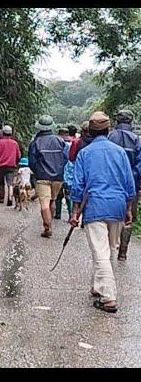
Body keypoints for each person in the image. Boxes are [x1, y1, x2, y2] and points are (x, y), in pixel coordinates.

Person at [70, 111, 136, 313]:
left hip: (95, 206)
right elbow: (129, 184)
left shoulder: (85, 153)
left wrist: (75, 212)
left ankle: (108, 298)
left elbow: (78, 186)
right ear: (109, 130)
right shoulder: (119, 152)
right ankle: (98, 287)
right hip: (117, 205)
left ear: (90, 131)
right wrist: (128, 209)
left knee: (100, 251)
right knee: (109, 249)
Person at [107, 108, 141, 261]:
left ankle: (108, 247)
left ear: (117, 121)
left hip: (110, 183)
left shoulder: (109, 137)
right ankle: (122, 252)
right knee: (129, 218)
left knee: (109, 214)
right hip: (130, 184)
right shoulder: (137, 139)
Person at [29, 114, 66, 238]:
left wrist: (38, 172)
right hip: (58, 177)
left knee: (44, 203)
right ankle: (50, 225)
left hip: (42, 176)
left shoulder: (35, 142)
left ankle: (48, 228)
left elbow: (32, 162)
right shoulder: (60, 140)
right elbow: (65, 158)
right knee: (53, 200)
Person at [0, 124, 21, 206]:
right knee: (10, 183)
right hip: (11, 166)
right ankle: (10, 198)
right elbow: (18, 155)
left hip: (1, 166)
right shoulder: (15, 143)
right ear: (11, 133)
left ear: (3, 133)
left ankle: (1, 198)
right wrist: (16, 162)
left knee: (1, 183)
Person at [55, 125, 76, 220]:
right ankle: (71, 214)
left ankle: (58, 214)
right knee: (69, 195)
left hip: (59, 171)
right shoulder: (73, 143)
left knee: (58, 194)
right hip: (70, 172)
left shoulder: (58, 143)